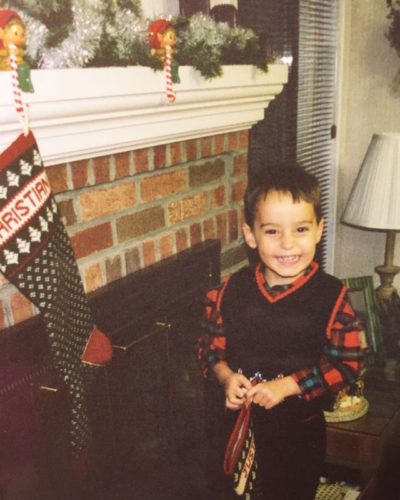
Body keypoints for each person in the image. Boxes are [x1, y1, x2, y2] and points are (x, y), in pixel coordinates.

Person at [196, 164, 365, 500]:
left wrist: (288, 386)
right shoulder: (228, 291)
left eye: (301, 229)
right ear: (250, 234)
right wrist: (225, 376)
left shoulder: (331, 296)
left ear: (319, 230)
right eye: (272, 232)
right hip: (235, 430)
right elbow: (208, 347)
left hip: (297, 437)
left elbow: (348, 362)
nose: (288, 244)